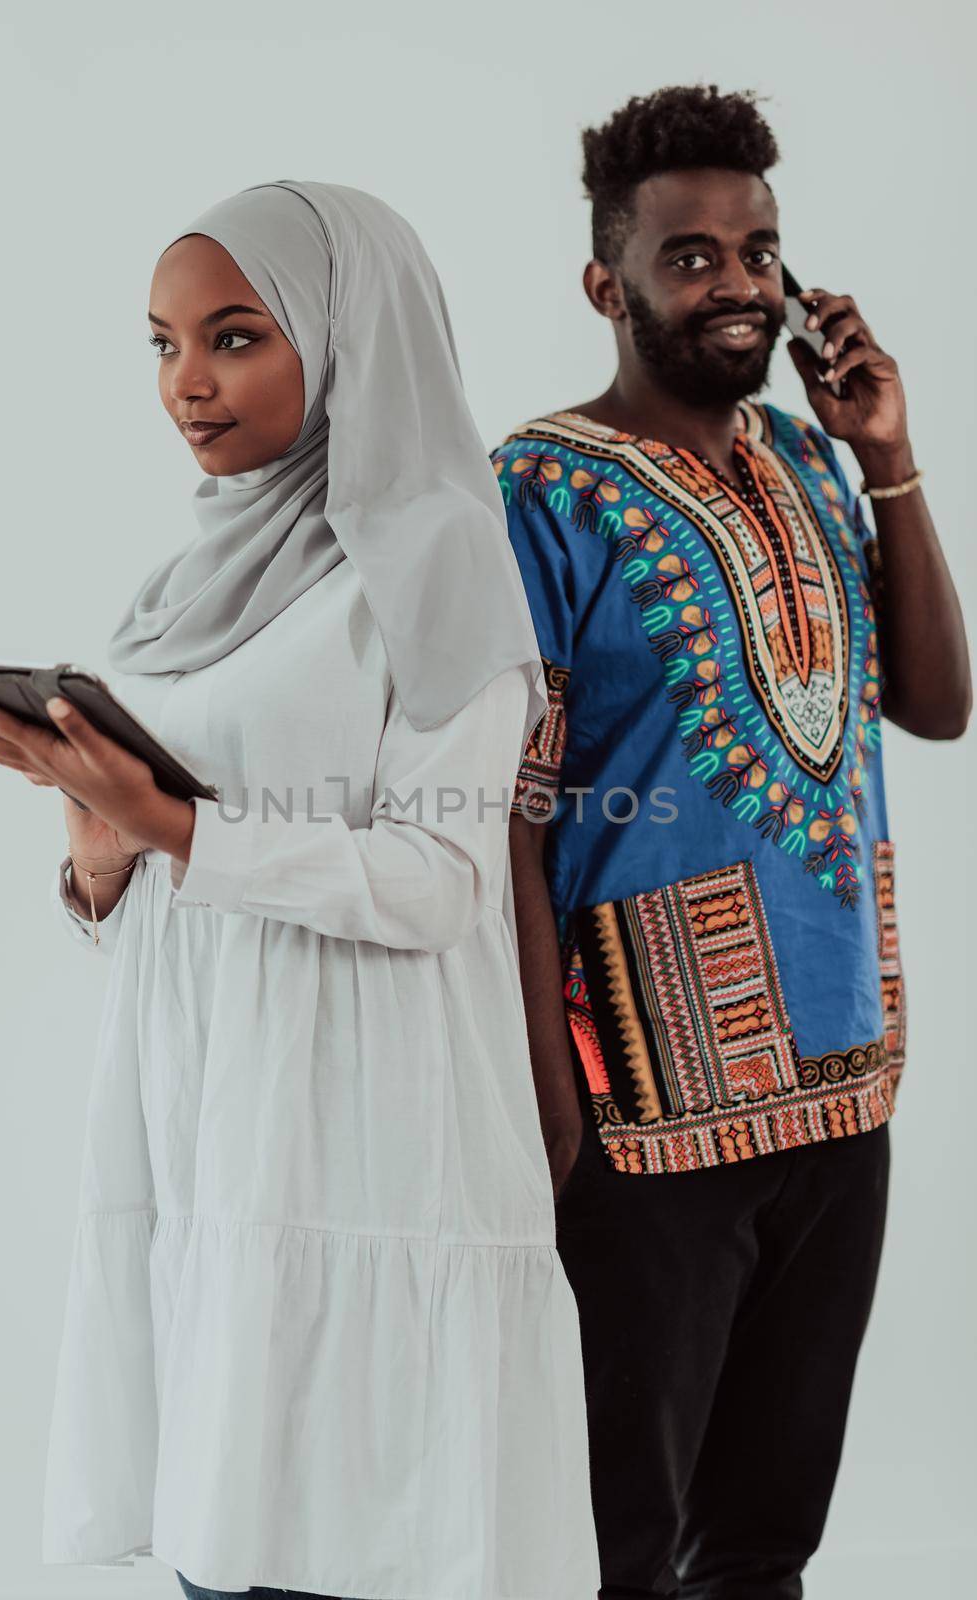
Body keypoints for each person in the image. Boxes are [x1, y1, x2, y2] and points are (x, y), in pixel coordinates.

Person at [0, 181, 600, 1600]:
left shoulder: (441, 564)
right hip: (210, 1135)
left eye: (236, 337)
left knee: (353, 1544)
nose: (188, 383)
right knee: (221, 1541)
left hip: (371, 1146)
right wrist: (92, 827)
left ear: (351, 333)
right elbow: (146, 887)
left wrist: (175, 823)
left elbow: (436, 882)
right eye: (163, 343)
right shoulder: (189, 578)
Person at [495, 86, 970, 1600]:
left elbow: (941, 704)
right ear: (606, 284)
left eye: (759, 252)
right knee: (619, 1542)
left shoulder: (816, 463)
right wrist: (543, 1091)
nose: (739, 285)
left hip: (845, 1071)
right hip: (640, 1097)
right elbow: (501, 810)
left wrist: (887, 451)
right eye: (691, 257)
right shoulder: (538, 492)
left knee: (766, 1544)